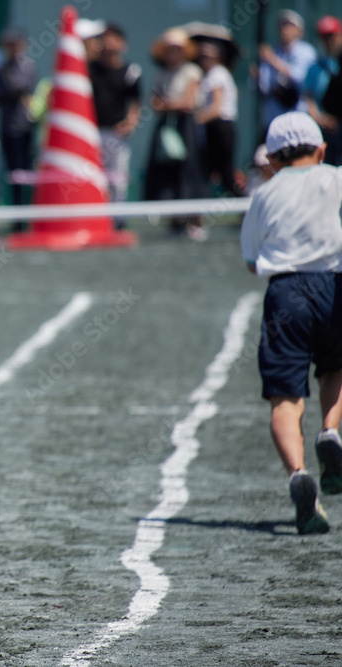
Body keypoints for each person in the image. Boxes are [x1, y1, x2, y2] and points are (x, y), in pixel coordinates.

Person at [240, 111, 342, 535]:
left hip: (285, 293)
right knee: (335, 369)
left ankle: (298, 475)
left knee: (284, 395)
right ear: (320, 149)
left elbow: (251, 259)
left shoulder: (265, 193)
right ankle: (330, 432)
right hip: (333, 285)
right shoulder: (336, 178)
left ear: (273, 158)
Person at [145, 28, 206, 238]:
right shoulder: (161, 74)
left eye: (177, 49)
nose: (173, 53)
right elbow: (154, 103)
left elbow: (188, 102)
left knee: (189, 172)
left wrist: (169, 104)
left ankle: (195, 220)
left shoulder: (191, 71)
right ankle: (175, 221)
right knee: (166, 173)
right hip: (166, 127)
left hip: (186, 127)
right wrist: (169, 105)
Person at [89, 23, 142, 204]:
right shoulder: (89, 69)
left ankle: (118, 220)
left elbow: (136, 101)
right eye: (104, 39)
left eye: (113, 39)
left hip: (117, 134)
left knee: (118, 178)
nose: (108, 44)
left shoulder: (130, 71)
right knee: (93, 176)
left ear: (122, 43)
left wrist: (130, 122)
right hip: (92, 133)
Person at [0, 27, 38, 208]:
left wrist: (8, 90)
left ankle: (27, 212)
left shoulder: (26, 66)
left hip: (24, 127)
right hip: (7, 126)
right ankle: (16, 216)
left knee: (25, 171)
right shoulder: (1, 68)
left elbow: (20, 88)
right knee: (12, 173)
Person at [257, 10, 318, 136]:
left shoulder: (306, 51)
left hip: (298, 117)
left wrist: (273, 60)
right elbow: (264, 86)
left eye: (290, 26)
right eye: (283, 25)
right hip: (273, 118)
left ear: (299, 31)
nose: (285, 29)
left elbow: (301, 78)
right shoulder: (271, 51)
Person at [195, 41, 241, 196]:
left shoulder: (217, 73)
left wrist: (196, 119)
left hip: (220, 128)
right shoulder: (209, 75)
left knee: (225, 173)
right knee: (211, 173)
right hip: (215, 128)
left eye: (207, 56)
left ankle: (242, 206)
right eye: (201, 56)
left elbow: (216, 107)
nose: (204, 60)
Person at [304, 16, 342, 165]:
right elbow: (309, 98)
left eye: (332, 36)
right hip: (325, 130)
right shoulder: (315, 67)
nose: (330, 41)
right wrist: (319, 118)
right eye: (325, 37)